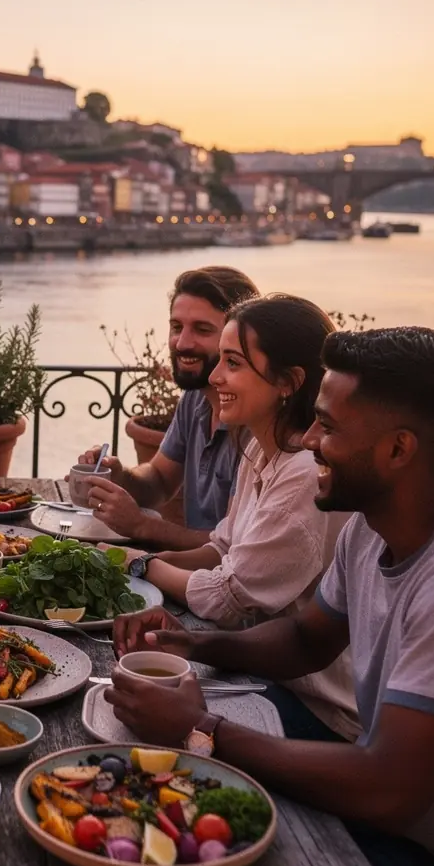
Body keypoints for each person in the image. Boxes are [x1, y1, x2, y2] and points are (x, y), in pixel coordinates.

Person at [108, 326, 434, 866]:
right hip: (370, 809)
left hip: (424, 859)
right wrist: (192, 644)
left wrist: (201, 731)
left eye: (328, 427)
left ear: (399, 449)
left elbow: (390, 789)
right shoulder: (369, 529)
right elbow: (304, 639)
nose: (310, 441)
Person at [113, 295, 359, 740]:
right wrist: (134, 555)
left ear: (288, 381)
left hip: (317, 707)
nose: (214, 375)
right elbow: (222, 548)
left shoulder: (303, 472)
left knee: (135, 714)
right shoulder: (259, 449)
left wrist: (143, 564)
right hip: (262, 672)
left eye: (233, 362)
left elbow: (226, 598)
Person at [78, 266, 259, 550]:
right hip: (192, 576)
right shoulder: (196, 399)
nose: (182, 343)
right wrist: (119, 476)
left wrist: (141, 525)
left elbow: (236, 549)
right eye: (176, 327)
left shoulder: (259, 424)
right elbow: (160, 480)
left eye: (202, 329)